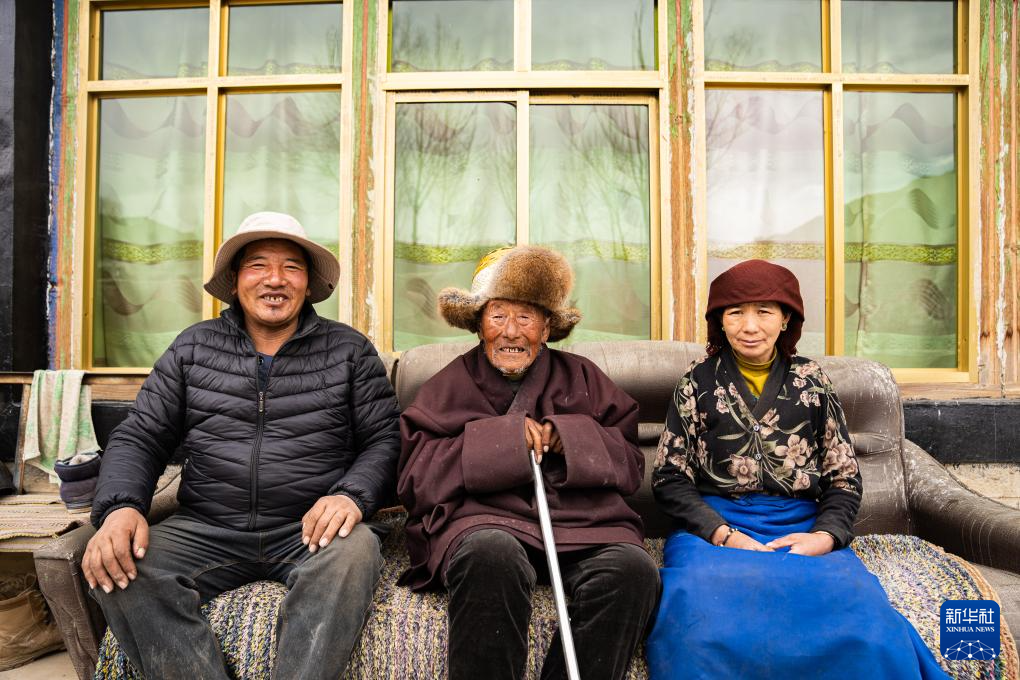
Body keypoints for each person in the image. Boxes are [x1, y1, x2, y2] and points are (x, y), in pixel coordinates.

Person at [83, 212, 401, 680]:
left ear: (308, 284)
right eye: (258, 265)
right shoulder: (193, 348)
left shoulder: (349, 351)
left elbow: (385, 439)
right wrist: (121, 507)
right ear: (234, 281)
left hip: (310, 529)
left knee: (355, 553)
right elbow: (141, 435)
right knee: (119, 567)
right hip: (208, 525)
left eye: (291, 267)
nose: (275, 279)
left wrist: (351, 496)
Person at [647, 259, 949, 679]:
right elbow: (669, 478)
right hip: (714, 530)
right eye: (735, 313)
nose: (750, 326)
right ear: (720, 321)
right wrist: (723, 535)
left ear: (786, 318)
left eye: (764, 312)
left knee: (866, 628)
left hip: (801, 525)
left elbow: (844, 477)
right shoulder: (696, 382)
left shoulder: (811, 381)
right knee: (698, 629)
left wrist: (825, 537)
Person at [398, 245, 660, 680]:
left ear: (547, 327)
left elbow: (631, 463)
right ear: (479, 324)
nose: (511, 332)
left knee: (632, 571)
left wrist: (569, 437)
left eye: (526, 317)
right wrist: (502, 440)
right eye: (498, 315)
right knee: (490, 554)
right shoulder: (447, 385)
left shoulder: (584, 377)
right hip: (485, 522)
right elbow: (415, 477)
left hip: (583, 523)